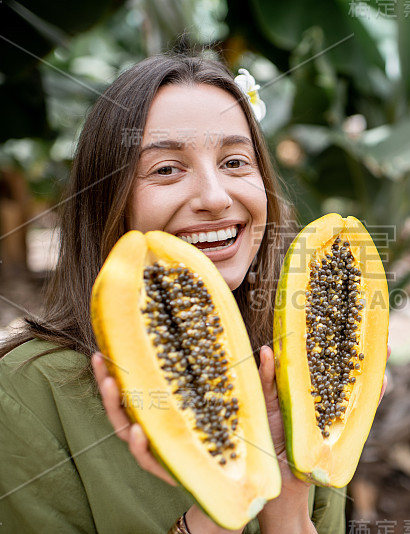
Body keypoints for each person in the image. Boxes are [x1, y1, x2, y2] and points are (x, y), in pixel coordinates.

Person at [0, 53, 347, 533]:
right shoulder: (23, 394)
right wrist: (220, 504)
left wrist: (285, 498)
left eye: (234, 162)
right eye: (166, 169)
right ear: (108, 200)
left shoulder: (293, 368)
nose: (215, 197)